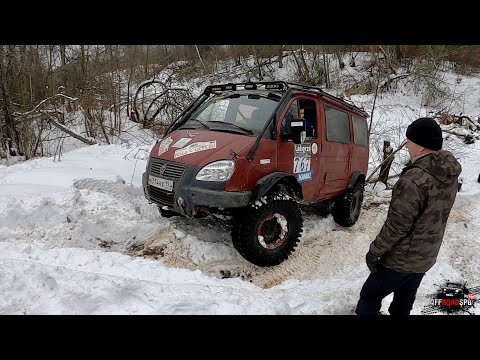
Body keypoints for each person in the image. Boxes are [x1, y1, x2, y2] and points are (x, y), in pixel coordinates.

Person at [355, 117, 462, 315]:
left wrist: (375, 251)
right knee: (404, 299)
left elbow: (397, 226)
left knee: (370, 295)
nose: (406, 145)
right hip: (426, 257)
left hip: (401, 259)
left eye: (409, 140)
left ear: (420, 146)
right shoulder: (449, 174)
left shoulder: (413, 180)